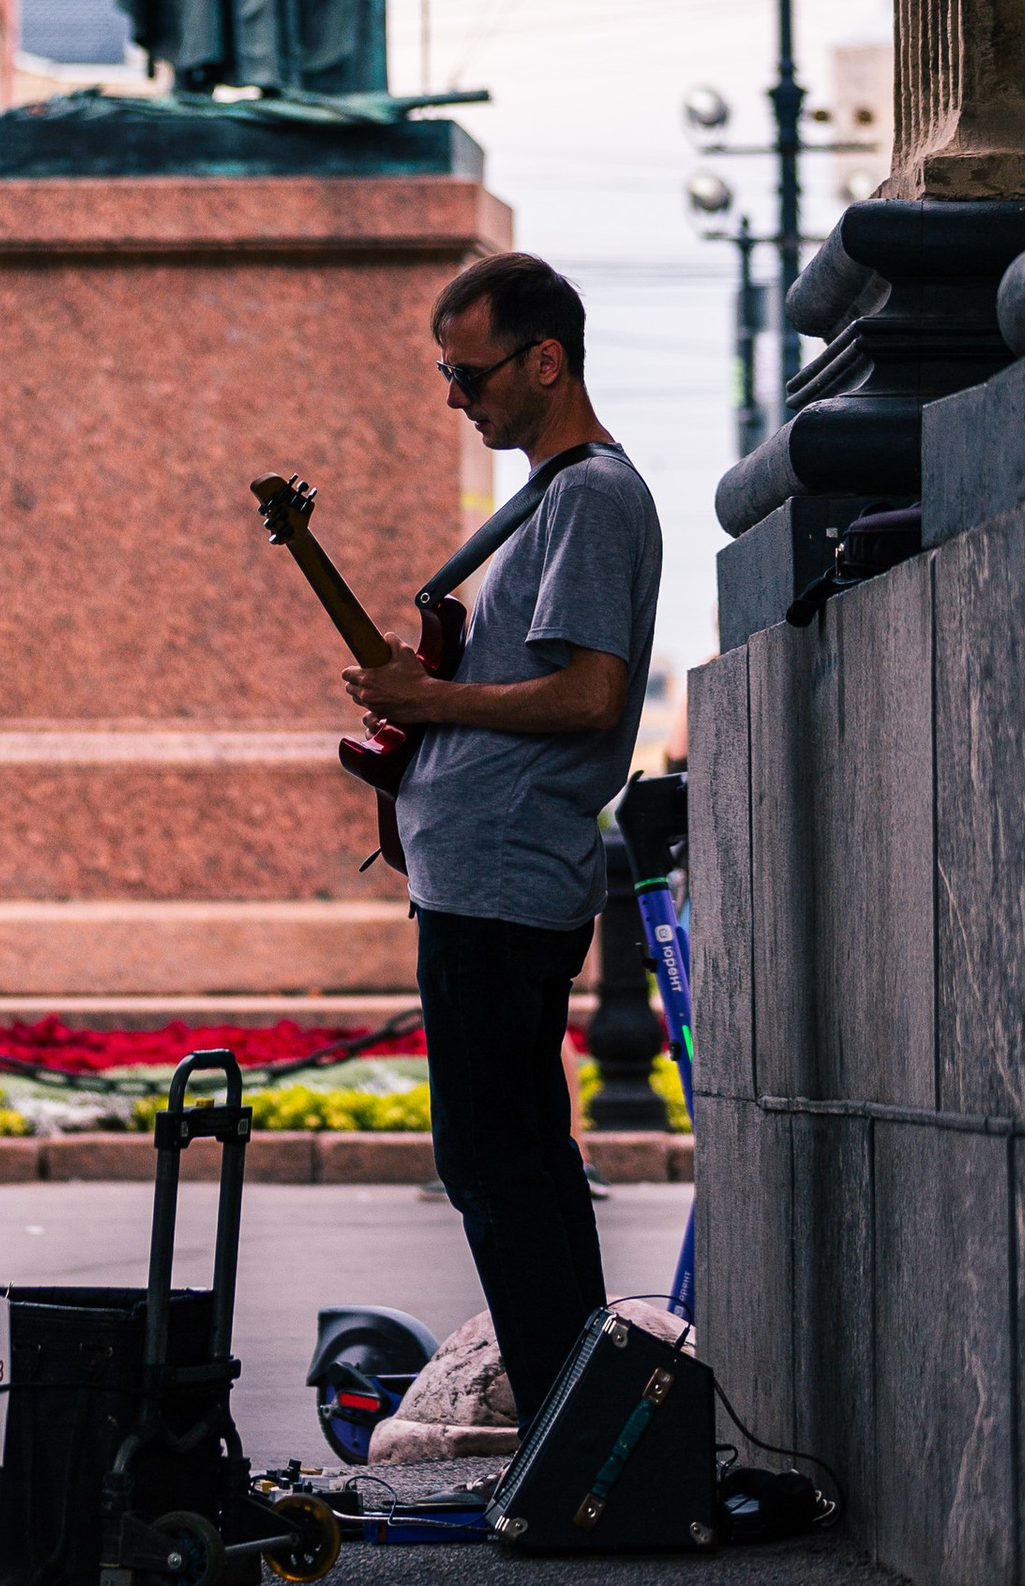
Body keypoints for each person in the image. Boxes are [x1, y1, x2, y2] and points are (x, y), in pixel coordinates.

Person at [341, 249, 663, 1433]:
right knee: (512, 1159)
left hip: (506, 883)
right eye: (442, 371)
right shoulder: (545, 497)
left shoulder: (587, 497)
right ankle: (572, 1426)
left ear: (546, 360)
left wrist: (437, 707)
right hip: (482, 875)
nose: (453, 396)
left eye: (470, 373)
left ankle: (569, 1433)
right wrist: (425, 689)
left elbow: (587, 698)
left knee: (498, 1164)